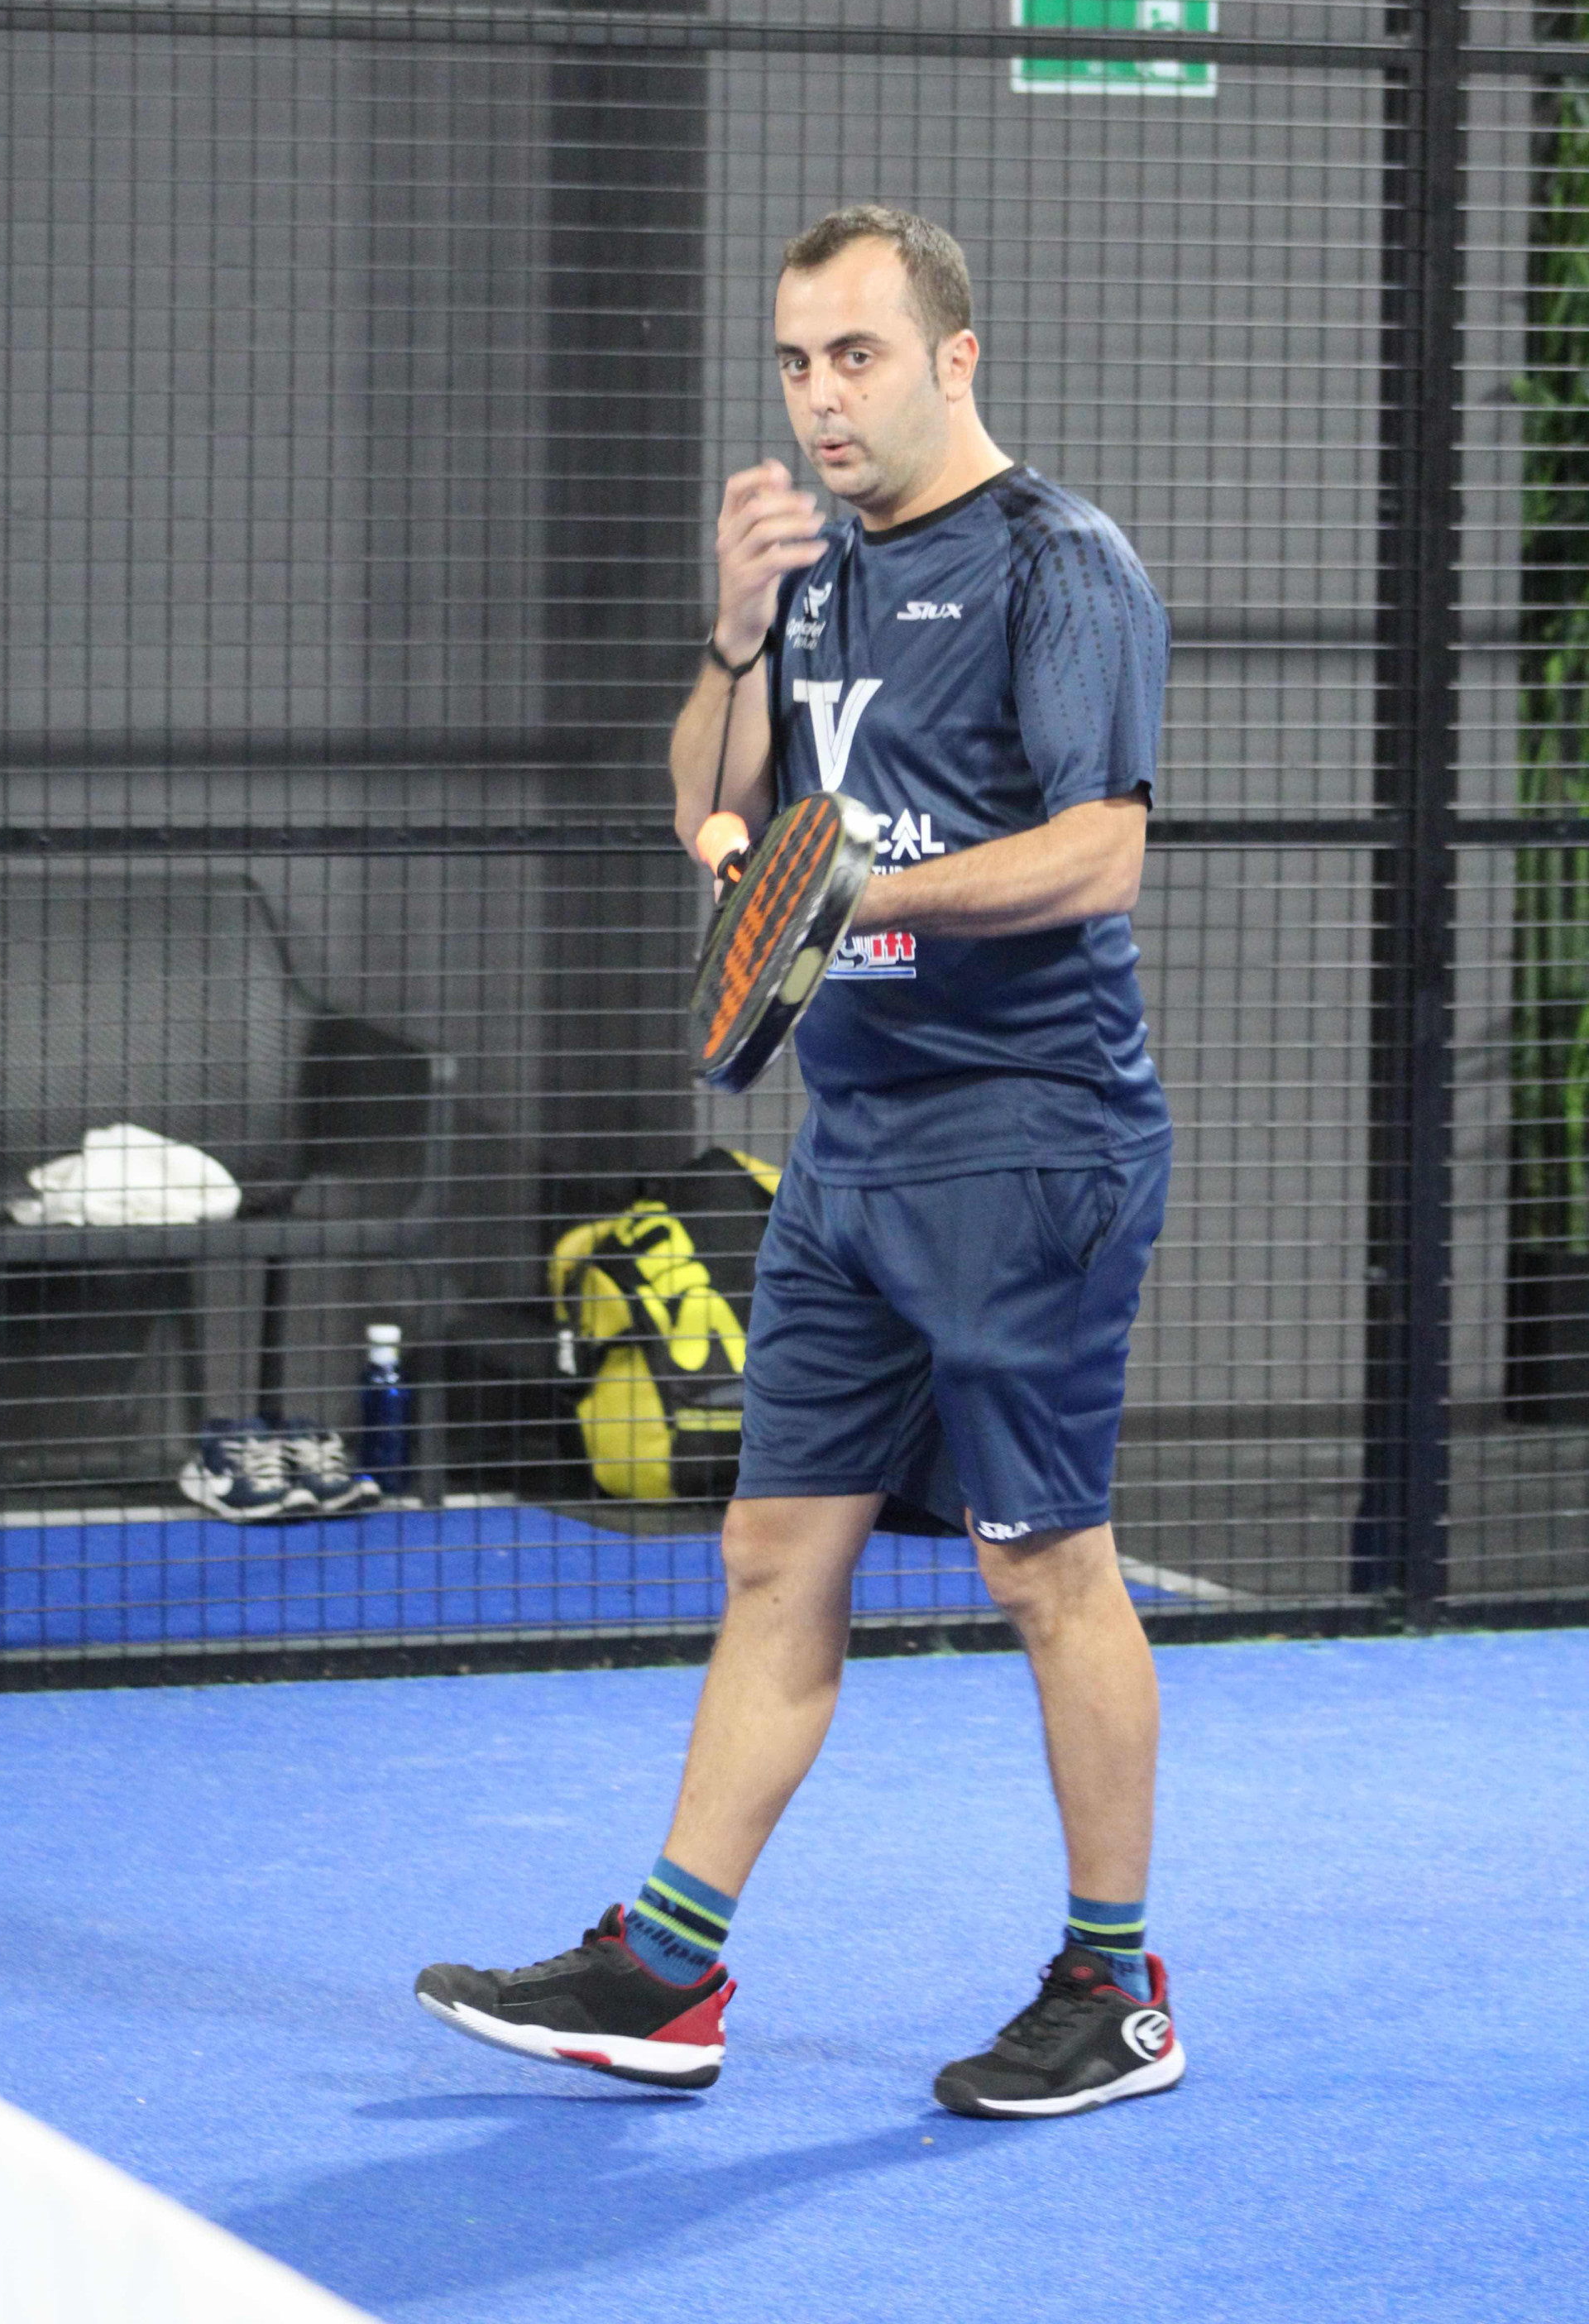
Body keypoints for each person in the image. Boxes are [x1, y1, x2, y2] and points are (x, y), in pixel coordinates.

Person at [416, 203, 1180, 2119]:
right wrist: (732, 638)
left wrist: (854, 899)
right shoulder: (818, 578)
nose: (821, 398)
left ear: (952, 359)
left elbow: (1100, 850)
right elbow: (713, 797)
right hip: (848, 1155)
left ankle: (1115, 1990)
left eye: (856, 355)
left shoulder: (1059, 566)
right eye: (793, 362)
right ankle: (665, 1970)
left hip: (1027, 1143)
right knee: (774, 1554)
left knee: (1042, 1566)